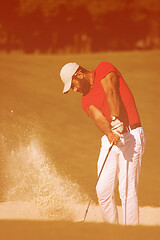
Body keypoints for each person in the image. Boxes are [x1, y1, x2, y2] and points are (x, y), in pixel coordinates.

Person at [60, 61, 145, 225]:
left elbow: (111, 92)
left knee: (127, 188)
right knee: (103, 189)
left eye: (73, 85)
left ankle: (130, 234)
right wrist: (109, 133)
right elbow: (98, 117)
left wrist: (115, 119)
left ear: (79, 74)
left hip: (131, 135)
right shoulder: (85, 101)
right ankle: (112, 231)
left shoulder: (104, 68)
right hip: (111, 139)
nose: (75, 89)